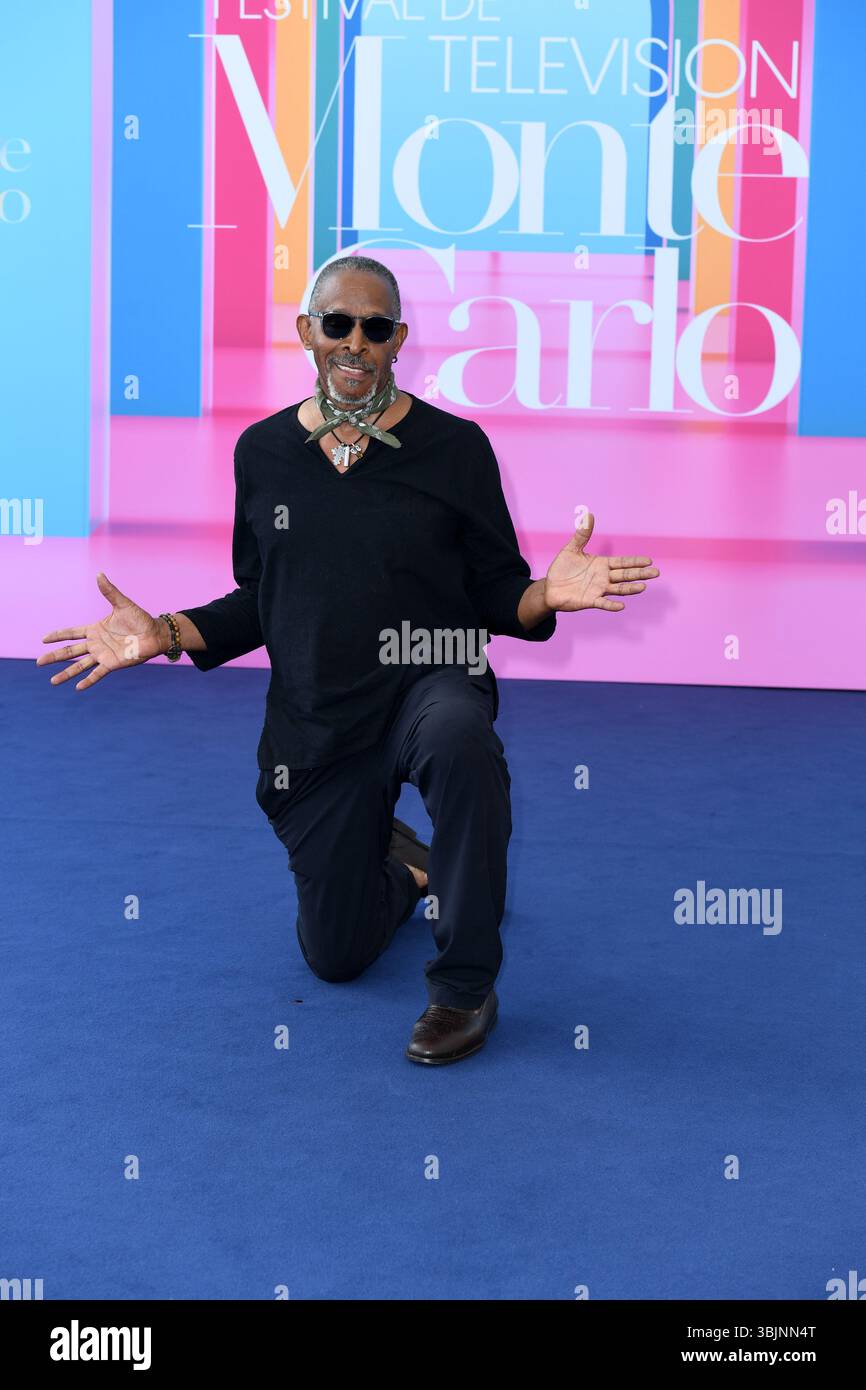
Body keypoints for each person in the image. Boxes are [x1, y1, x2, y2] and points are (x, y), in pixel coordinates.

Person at [37, 255, 660, 1066]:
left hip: (428, 679)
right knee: (334, 957)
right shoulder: (262, 452)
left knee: (460, 742)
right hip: (319, 720)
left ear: (398, 339)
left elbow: (498, 590)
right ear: (308, 332)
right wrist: (163, 630)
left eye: (375, 328)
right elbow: (262, 597)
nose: (356, 343)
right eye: (338, 324)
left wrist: (545, 593)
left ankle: (464, 988)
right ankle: (407, 867)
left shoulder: (454, 448)